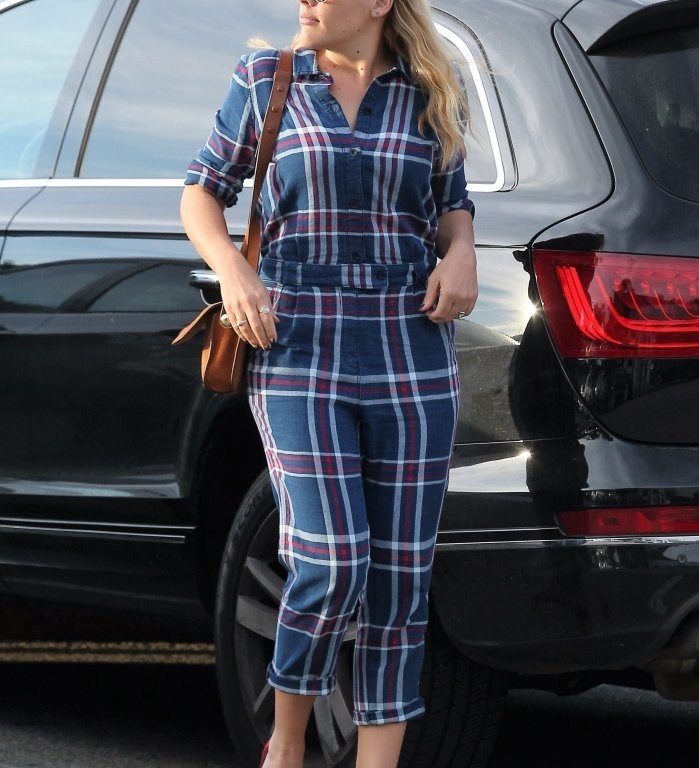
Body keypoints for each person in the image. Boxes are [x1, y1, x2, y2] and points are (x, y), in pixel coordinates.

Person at [180, 1, 478, 765]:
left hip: (410, 348)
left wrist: (461, 253)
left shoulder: (429, 91)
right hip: (298, 347)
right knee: (332, 560)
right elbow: (202, 191)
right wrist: (233, 270)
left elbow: (451, 207)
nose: (304, 0)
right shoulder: (267, 78)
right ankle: (285, 746)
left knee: (400, 578)